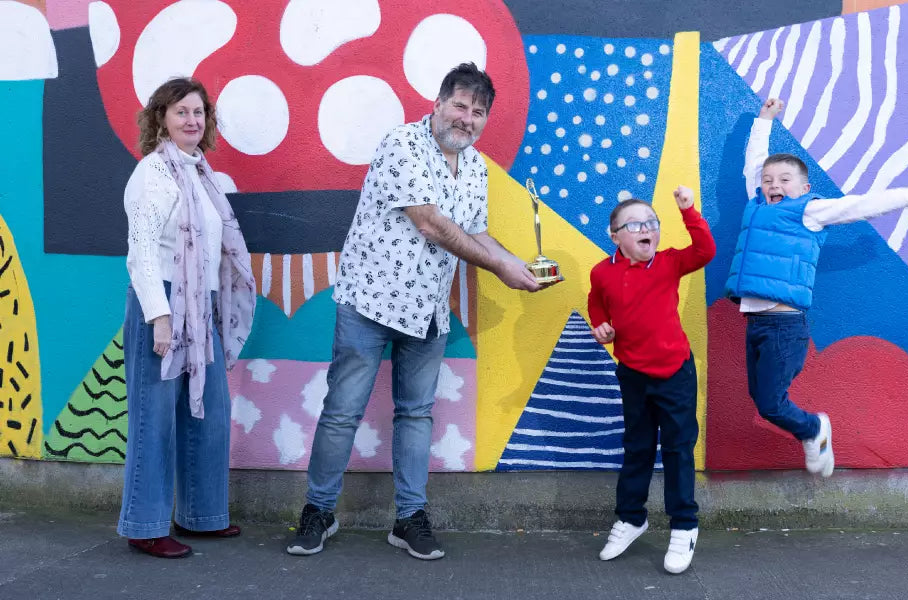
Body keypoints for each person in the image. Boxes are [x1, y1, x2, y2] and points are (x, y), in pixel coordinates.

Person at [287, 63, 546, 560]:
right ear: (438, 103)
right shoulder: (401, 144)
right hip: (370, 302)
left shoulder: (475, 167)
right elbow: (429, 223)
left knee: (416, 416)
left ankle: (409, 518)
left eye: (478, 112)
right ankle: (318, 512)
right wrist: (497, 269)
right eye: (460, 106)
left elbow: (476, 232)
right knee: (342, 413)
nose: (467, 119)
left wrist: (517, 265)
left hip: (427, 310)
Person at [726, 97, 908, 477]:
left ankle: (815, 429)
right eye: (768, 180)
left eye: (784, 180)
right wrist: (763, 120)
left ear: (804, 186)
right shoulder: (756, 204)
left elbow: (859, 206)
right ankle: (813, 432)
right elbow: (753, 163)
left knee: (771, 404)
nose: (773, 185)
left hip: (784, 326)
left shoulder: (810, 211)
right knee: (762, 400)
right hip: (756, 323)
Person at [118, 77, 256, 558]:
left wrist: (216, 311)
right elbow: (141, 252)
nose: (192, 121)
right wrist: (159, 316)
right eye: (181, 112)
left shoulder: (204, 177)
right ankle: (145, 524)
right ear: (161, 118)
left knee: (210, 413)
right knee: (153, 418)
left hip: (202, 307)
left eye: (199, 113)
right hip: (162, 302)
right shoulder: (152, 175)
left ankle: (202, 514)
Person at [588, 186, 716, 574]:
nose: (647, 229)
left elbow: (705, 250)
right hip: (632, 373)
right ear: (615, 236)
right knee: (637, 447)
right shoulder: (602, 271)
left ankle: (684, 525)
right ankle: (631, 518)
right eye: (636, 225)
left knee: (678, 448)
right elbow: (597, 300)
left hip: (675, 371)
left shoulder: (668, 263)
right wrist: (599, 325)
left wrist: (688, 211)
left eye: (652, 223)